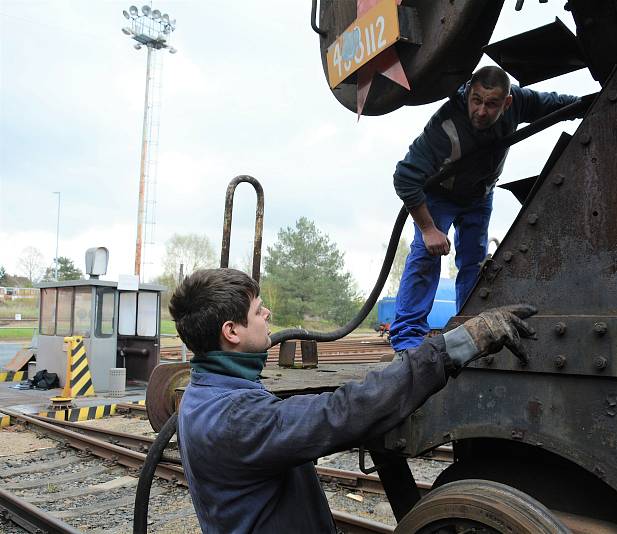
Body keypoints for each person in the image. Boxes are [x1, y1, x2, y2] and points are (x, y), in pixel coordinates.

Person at [169, 267, 537, 533]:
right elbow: (339, 413)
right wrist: (456, 346)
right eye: (258, 310)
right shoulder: (234, 416)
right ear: (231, 332)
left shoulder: (208, 390)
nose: (268, 315)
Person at [390, 66, 580, 353]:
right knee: (425, 256)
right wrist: (429, 228)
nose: (480, 111)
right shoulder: (445, 125)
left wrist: (591, 103)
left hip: (479, 196)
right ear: (468, 94)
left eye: (491, 104)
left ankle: (469, 330)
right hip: (439, 196)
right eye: (476, 100)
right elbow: (404, 177)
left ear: (507, 103)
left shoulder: (522, 101)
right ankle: (407, 342)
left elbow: (558, 104)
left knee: (474, 262)